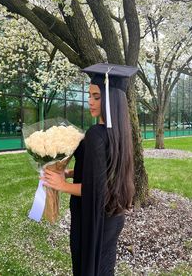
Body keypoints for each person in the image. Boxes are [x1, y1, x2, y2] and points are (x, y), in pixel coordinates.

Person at [42, 63, 137, 276]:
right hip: (113, 216)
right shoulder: (120, 134)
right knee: (104, 267)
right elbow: (103, 171)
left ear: (110, 99)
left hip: (93, 217)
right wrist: (67, 173)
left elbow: (96, 189)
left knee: (88, 267)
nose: (90, 101)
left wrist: (62, 186)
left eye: (96, 96)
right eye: (89, 96)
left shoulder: (96, 134)